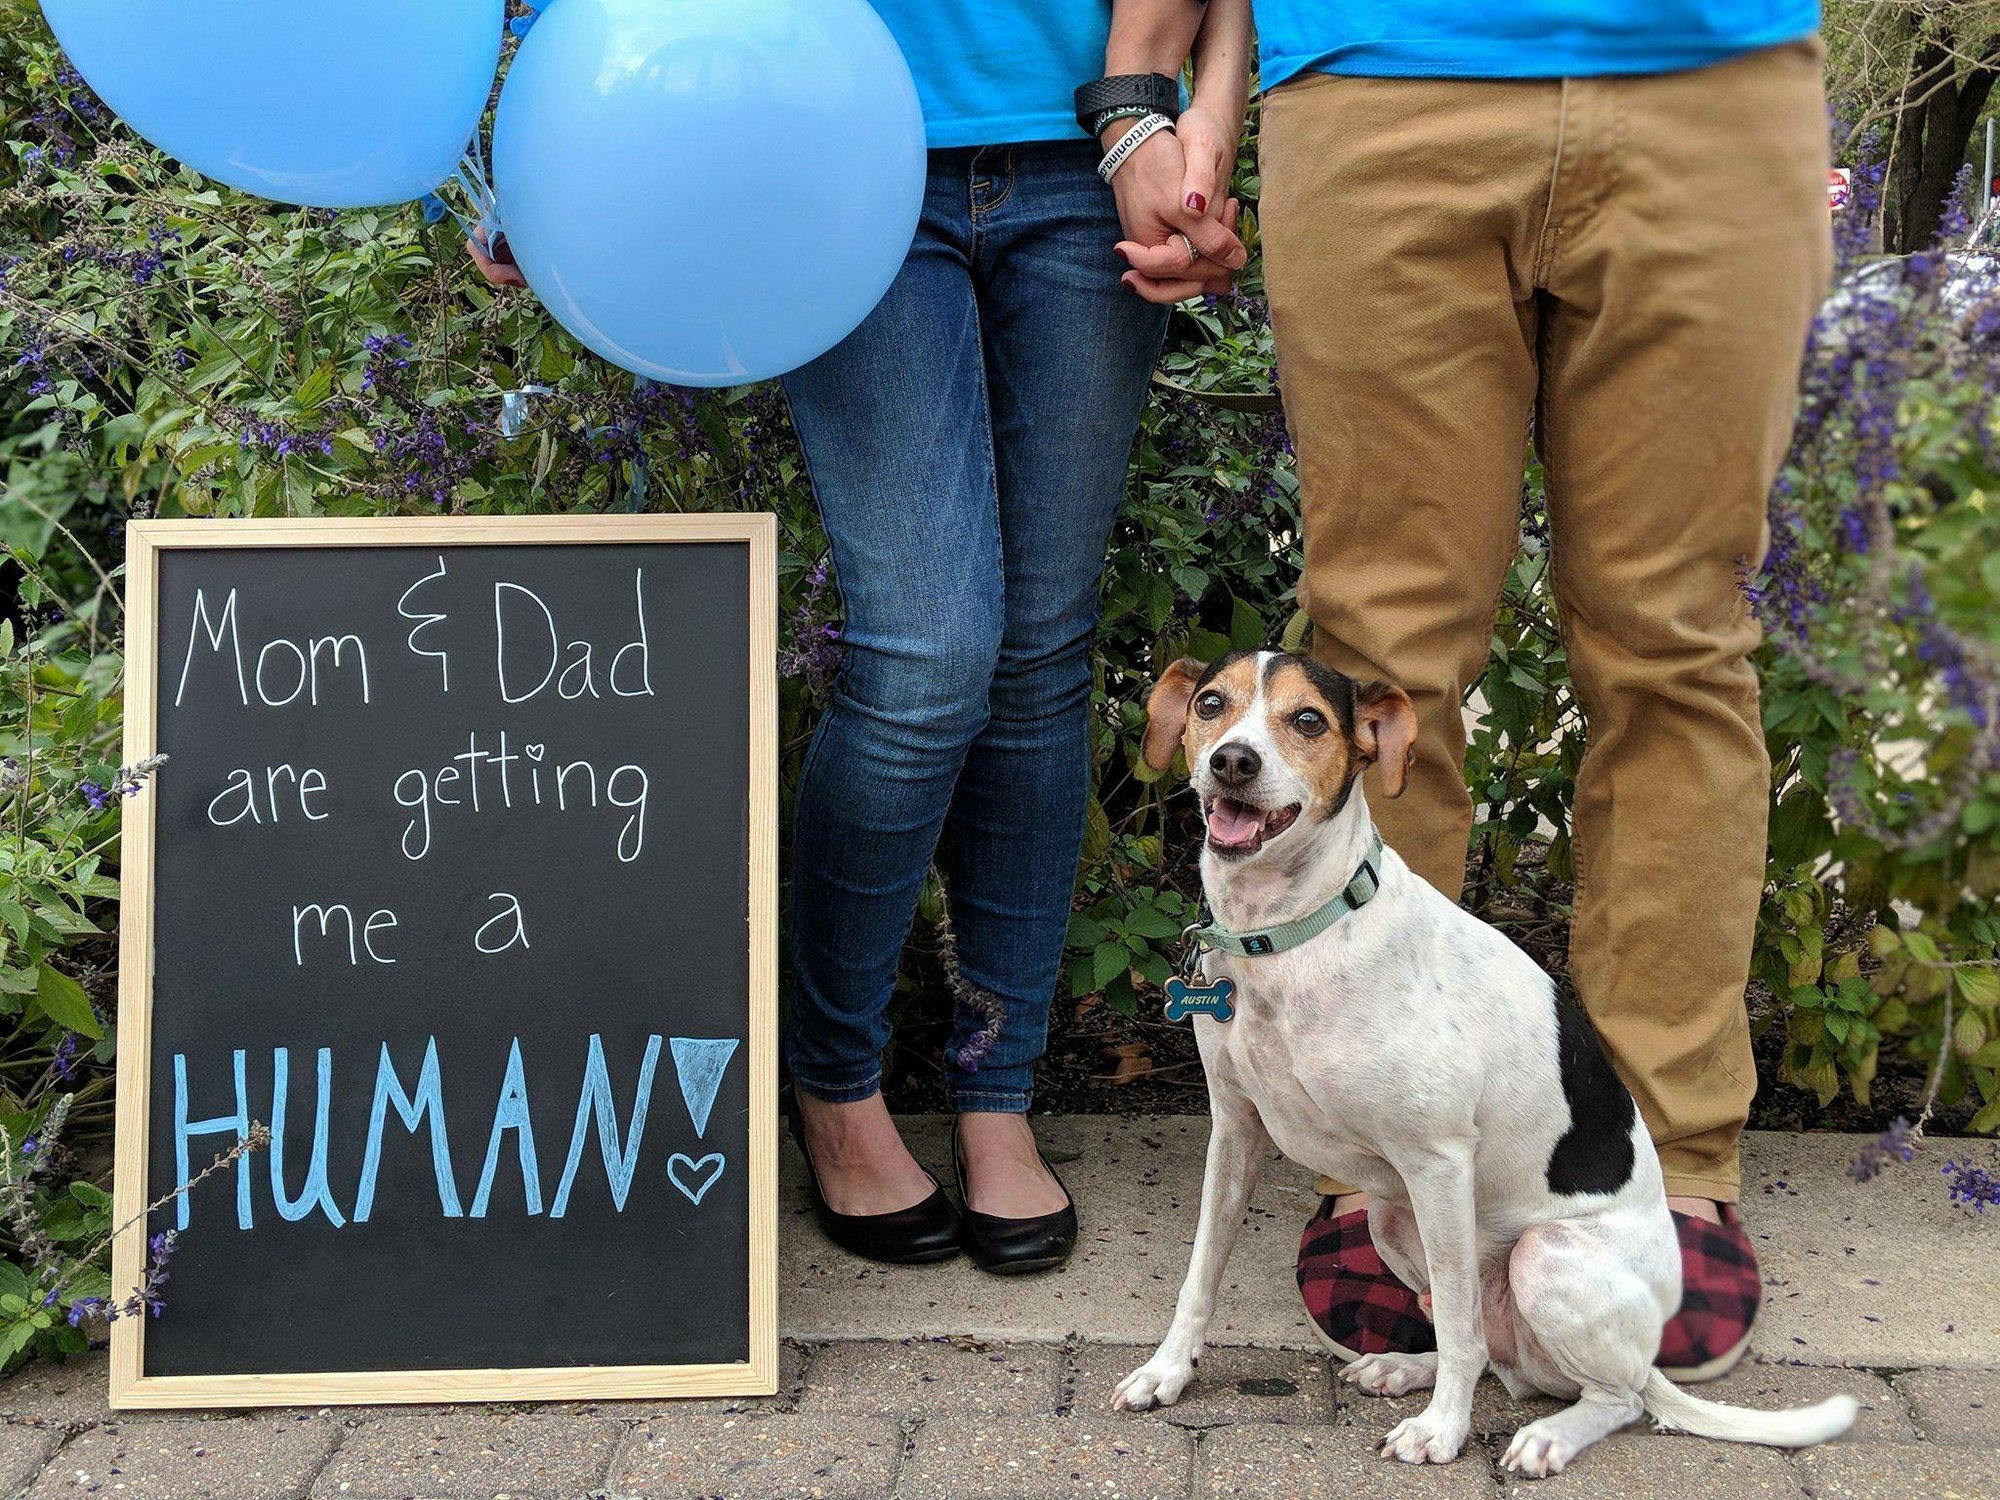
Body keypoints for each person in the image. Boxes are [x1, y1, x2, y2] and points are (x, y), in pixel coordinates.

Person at [473, 0, 1253, 1273]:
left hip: (1093, 155)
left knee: (1038, 660)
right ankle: (834, 1087)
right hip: (824, 144)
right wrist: (559, 143)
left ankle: (997, 1092)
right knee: (926, 654)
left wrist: (1189, 125)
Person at [1249, 0, 1832, 1376]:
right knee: (1378, 659)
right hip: (1378, 72)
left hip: (1710, 75)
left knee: (1677, 653)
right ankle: (1382, 1153)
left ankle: (1658, 1151)